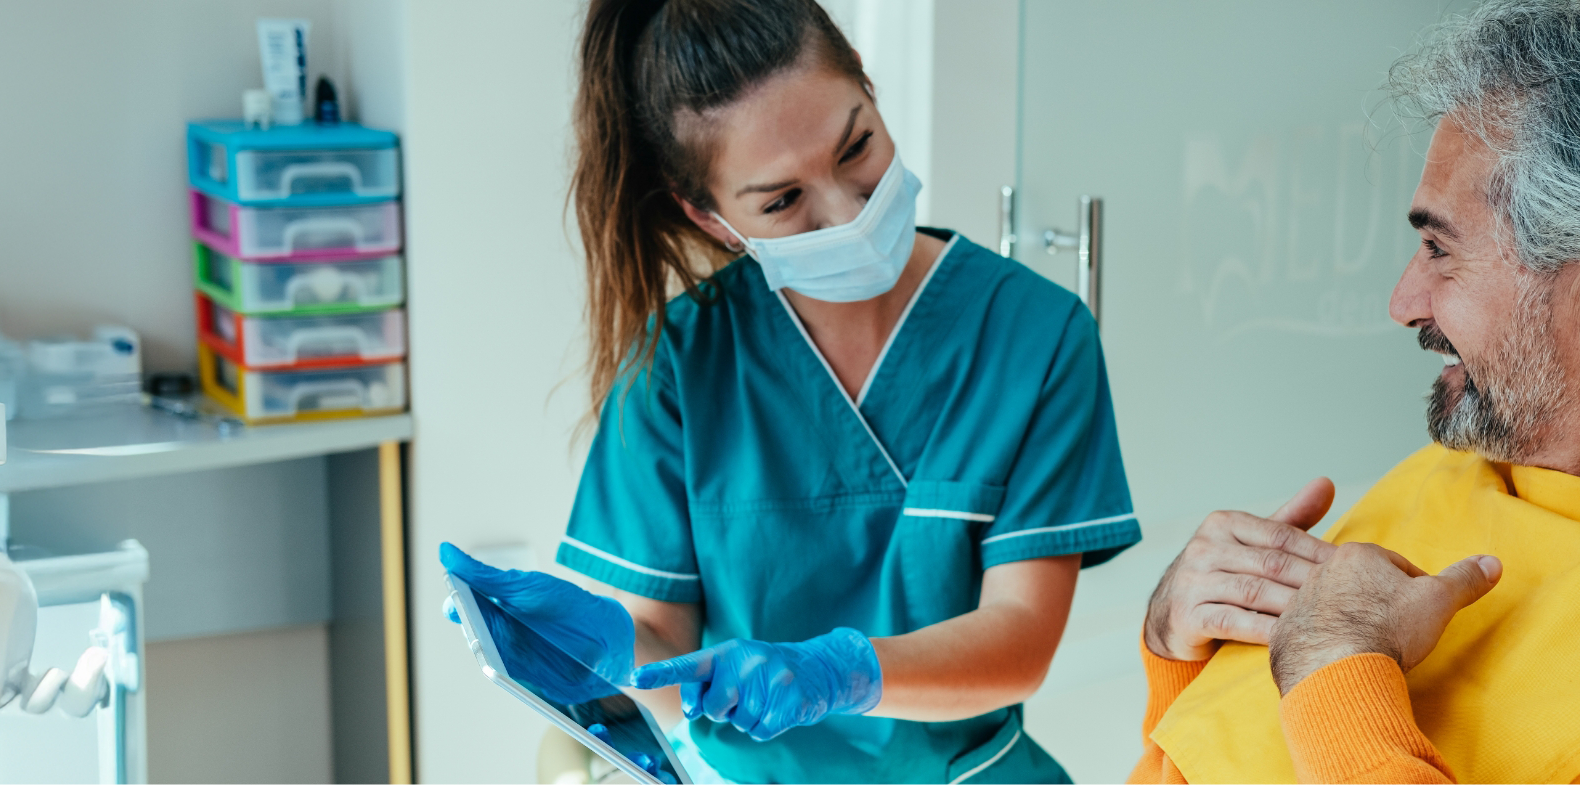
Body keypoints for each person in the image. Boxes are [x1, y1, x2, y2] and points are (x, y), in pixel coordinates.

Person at [443, 0, 1141, 781]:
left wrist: (843, 671)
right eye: (782, 201)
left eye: (857, 146)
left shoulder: (1037, 334)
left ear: (873, 95)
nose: (848, 211)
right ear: (710, 219)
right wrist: (603, 645)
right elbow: (667, 661)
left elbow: (1018, 641)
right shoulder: (678, 363)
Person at [1129, 1, 1580, 781]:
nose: (1403, 301)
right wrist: (1175, 646)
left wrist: (1339, 665)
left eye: (1440, 248)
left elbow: (1324, 696)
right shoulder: (1457, 466)